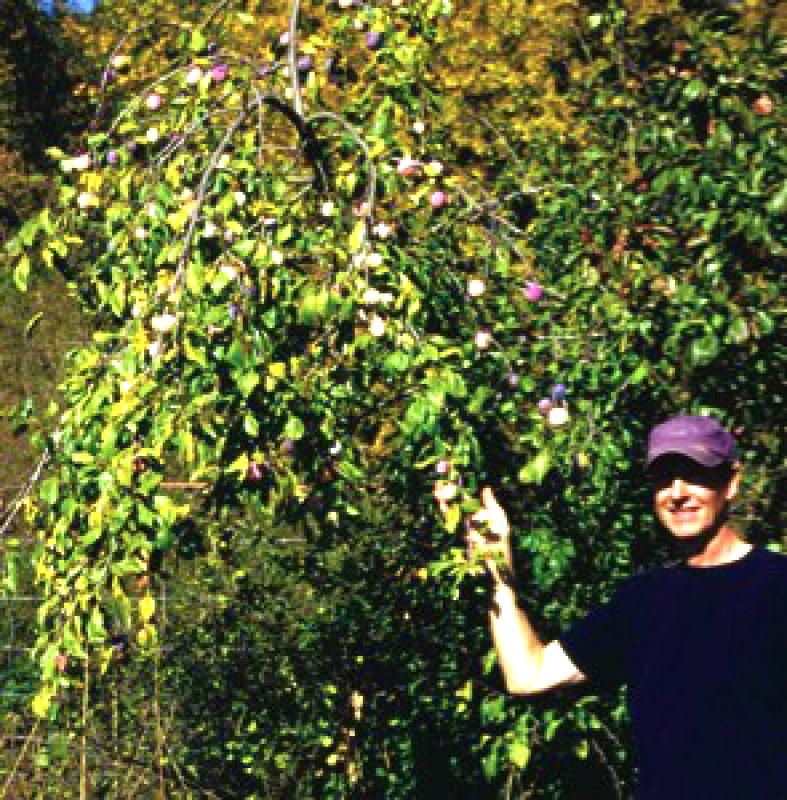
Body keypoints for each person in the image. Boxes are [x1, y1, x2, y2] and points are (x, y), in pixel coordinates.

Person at [466, 415, 787, 799]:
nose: (677, 493)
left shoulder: (777, 585)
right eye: (664, 478)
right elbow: (528, 674)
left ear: (731, 483)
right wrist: (496, 567)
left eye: (693, 474)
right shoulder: (640, 601)